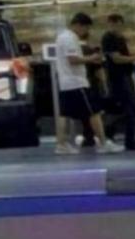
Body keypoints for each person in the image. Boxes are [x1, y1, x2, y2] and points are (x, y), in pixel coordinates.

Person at [52, 13, 122, 155]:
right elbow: (73, 60)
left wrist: (88, 59)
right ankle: (103, 143)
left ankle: (61, 144)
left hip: (66, 82)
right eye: (86, 28)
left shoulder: (62, 36)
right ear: (79, 25)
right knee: (94, 112)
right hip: (76, 82)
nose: (86, 32)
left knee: (64, 114)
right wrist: (91, 58)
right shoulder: (69, 38)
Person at [99, 12, 135, 151]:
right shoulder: (108, 38)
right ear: (110, 24)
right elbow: (116, 58)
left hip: (126, 75)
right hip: (118, 77)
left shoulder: (120, 38)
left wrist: (133, 55)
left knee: (128, 109)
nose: (117, 27)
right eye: (114, 24)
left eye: (119, 25)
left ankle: (111, 132)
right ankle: (127, 139)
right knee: (130, 108)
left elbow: (124, 54)